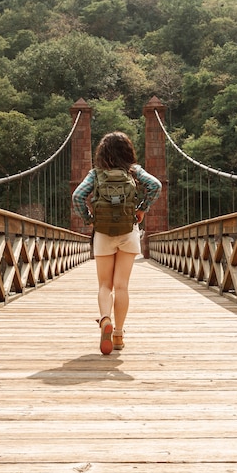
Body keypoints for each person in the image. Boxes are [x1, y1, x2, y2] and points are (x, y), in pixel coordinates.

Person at [72, 131, 162, 355]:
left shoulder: (95, 174)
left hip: (103, 232)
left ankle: (105, 321)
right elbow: (156, 186)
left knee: (105, 285)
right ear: (128, 151)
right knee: (122, 286)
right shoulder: (134, 171)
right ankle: (118, 334)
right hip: (128, 231)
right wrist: (142, 209)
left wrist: (89, 220)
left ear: (102, 153)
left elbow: (77, 196)